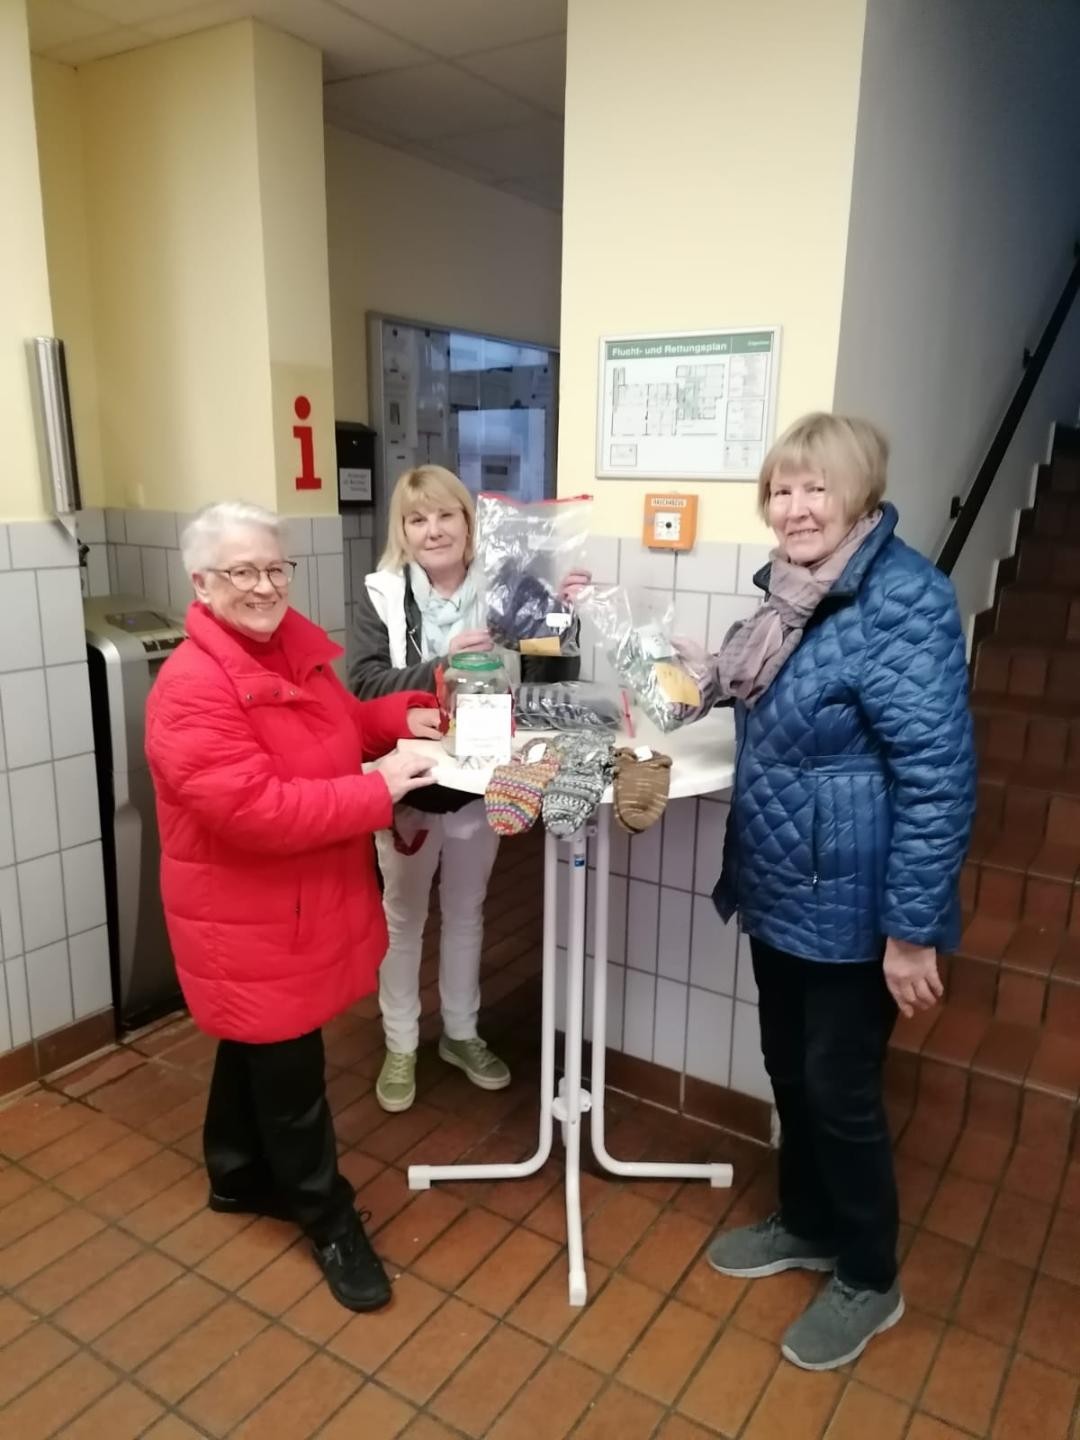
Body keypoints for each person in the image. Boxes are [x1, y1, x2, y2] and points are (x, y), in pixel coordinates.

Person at [704, 414, 976, 1371]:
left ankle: (868, 1274)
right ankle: (807, 1220)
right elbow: (744, 693)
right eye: (782, 489)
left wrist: (910, 930)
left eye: (816, 488)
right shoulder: (788, 599)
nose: (797, 507)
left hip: (858, 903)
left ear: (859, 492)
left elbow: (937, 777)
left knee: (838, 1087)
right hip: (782, 882)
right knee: (786, 1065)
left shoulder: (905, 599)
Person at [145, 500, 441, 1313]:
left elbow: (345, 728)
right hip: (246, 911)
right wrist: (377, 790)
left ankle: (237, 1176)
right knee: (290, 1067)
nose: (265, 585)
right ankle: (326, 1213)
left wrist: (410, 714)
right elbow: (256, 811)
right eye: (243, 571)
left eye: (276, 568)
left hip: (289, 906)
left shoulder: (288, 655)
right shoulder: (192, 688)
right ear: (202, 583)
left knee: (261, 1038)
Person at [350, 465, 587, 1113]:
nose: (433, 530)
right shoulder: (382, 594)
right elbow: (363, 684)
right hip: (411, 781)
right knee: (403, 918)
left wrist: (566, 617)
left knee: (468, 909)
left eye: (445, 515)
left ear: (467, 521)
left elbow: (552, 669)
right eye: (416, 519)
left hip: (482, 779)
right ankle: (401, 1043)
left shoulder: (506, 586)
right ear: (402, 531)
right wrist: (442, 662)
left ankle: (460, 1032)